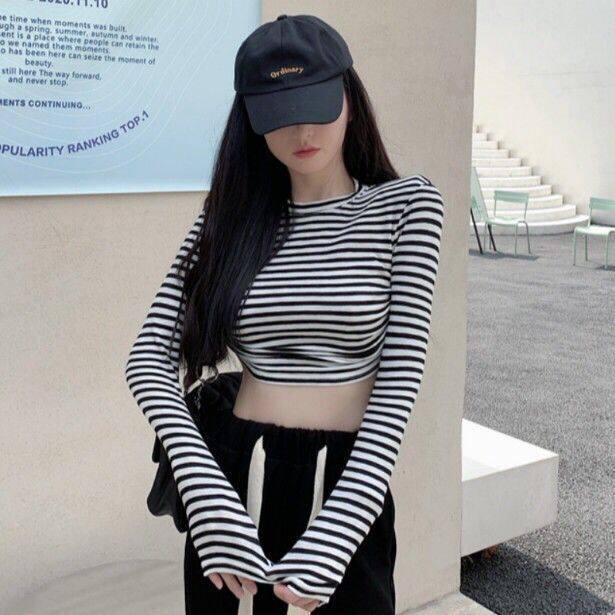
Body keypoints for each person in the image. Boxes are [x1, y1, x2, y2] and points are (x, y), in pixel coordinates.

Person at [125, 13, 445, 615]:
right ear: (250, 119)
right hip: (233, 479)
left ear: (349, 97)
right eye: (278, 113)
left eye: (316, 105)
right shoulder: (225, 219)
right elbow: (147, 360)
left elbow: (401, 375)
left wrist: (343, 524)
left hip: (349, 481)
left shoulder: (406, 206)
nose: (301, 129)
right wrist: (205, 494)